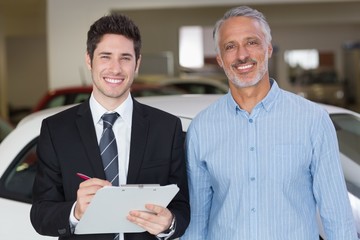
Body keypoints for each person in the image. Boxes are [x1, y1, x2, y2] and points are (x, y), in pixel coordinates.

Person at [182, 6, 357, 240]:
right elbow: (197, 221)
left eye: (252, 42)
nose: (242, 55)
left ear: (269, 49)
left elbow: (337, 216)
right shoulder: (201, 128)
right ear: (220, 60)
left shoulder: (312, 120)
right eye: (230, 46)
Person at [30, 13, 189, 240]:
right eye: (105, 56)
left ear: (137, 63)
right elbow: (40, 214)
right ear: (89, 59)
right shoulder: (56, 130)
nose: (115, 69)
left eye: (125, 58)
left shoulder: (166, 127)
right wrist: (75, 211)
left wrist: (169, 224)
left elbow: (182, 206)